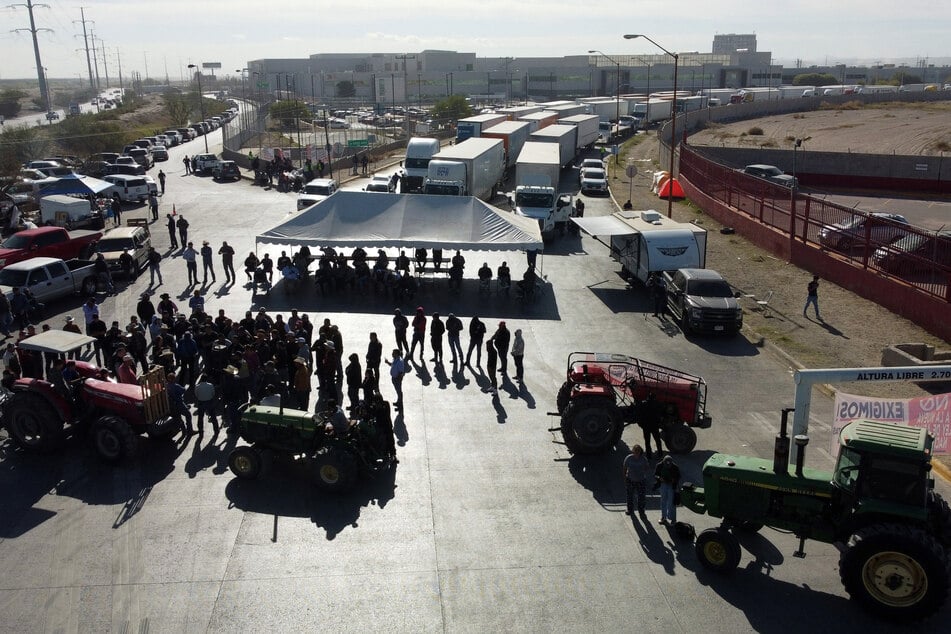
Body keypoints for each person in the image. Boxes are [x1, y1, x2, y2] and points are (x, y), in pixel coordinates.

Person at [623, 445, 651, 517]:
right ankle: (630, 510)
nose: (636, 453)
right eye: (635, 451)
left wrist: (641, 473)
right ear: (633, 451)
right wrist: (625, 478)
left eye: (638, 451)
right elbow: (625, 468)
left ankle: (641, 512)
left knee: (641, 497)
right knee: (629, 496)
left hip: (640, 481)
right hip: (630, 480)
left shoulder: (643, 459)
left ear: (640, 452)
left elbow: (647, 467)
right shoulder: (628, 458)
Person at [654, 455, 681, 525]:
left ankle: (673, 519)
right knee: (663, 501)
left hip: (671, 485)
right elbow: (655, 475)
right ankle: (663, 517)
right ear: (663, 461)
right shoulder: (659, 465)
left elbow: (678, 476)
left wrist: (674, 480)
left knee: (671, 502)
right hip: (663, 484)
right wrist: (659, 478)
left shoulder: (675, 467)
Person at [638, 392, 664, 460]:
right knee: (658, 441)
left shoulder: (643, 404)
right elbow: (661, 414)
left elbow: (639, 415)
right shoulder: (657, 404)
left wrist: (641, 425)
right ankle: (660, 454)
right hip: (654, 426)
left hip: (646, 426)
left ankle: (649, 455)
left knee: (647, 442)